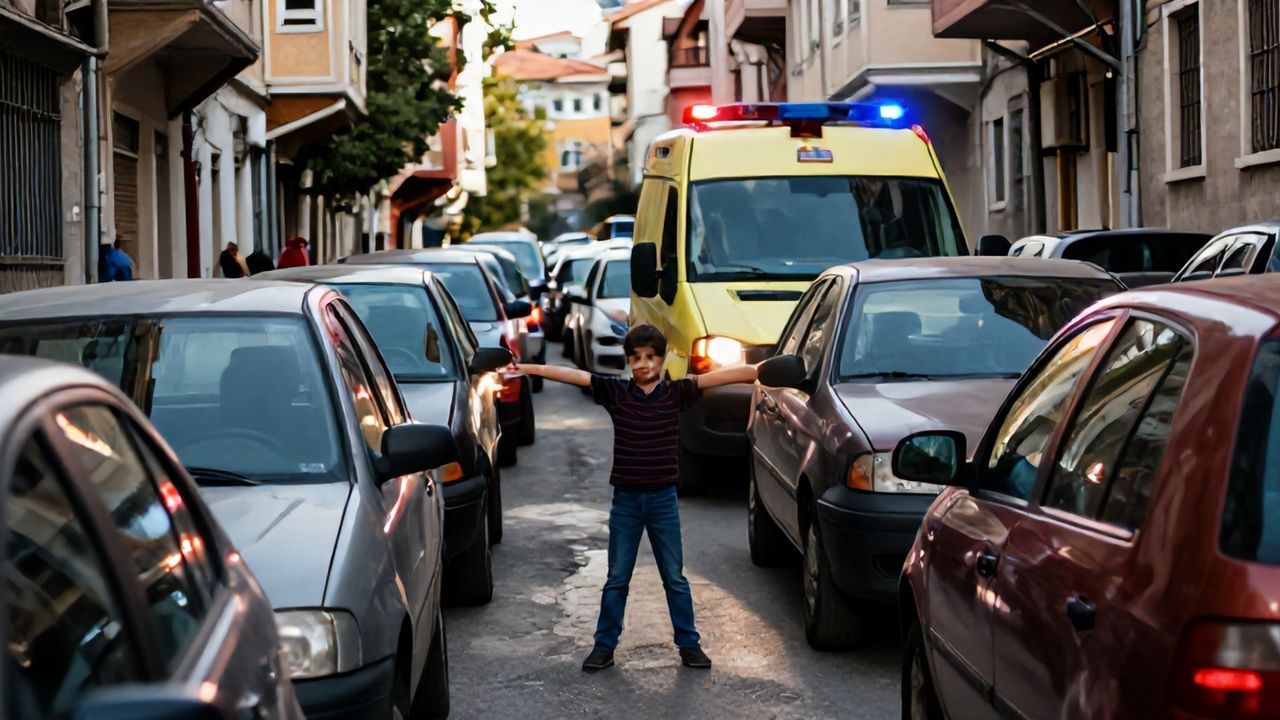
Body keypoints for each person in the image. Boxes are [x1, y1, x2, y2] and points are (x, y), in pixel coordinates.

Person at [513, 324, 759, 673]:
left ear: (662, 359)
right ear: (628, 361)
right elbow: (575, 376)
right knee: (617, 577)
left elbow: (715, 378)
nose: (643, 364)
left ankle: (689, 645)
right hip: (626, 502)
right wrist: (527, 368)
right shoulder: (616, 392)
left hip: (663, 501)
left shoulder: (676, 393)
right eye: (636, 358)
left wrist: (758, 371)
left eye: (650, 357)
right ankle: (604, 646)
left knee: (674, 576)